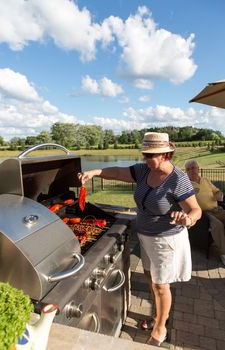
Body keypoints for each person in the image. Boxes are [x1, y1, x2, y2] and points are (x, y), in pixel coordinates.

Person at [78, 132, 201, 347]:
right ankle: (159, 316)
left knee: (161, 286)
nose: (145, 158)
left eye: (150, 155)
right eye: (144, 154)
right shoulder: (144, 170)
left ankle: (160, 327)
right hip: (145, 237)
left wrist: (187, 219)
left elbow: (196, 210)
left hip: (166, 241)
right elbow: (117, 172)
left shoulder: (178, 179)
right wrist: (95, 172)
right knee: (150, 280)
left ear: (165, 154)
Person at [185, 160, 225, 265]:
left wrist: (219, 194)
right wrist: (191, 194)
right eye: (188, 169)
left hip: (217, 210)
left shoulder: (206, 180)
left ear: (198, 168)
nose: (191, 171)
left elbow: (217, 191)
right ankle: (223, 254)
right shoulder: (186, 184)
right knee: (218, 226)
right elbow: (183, 201)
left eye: (193, 167)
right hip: (204, 214)